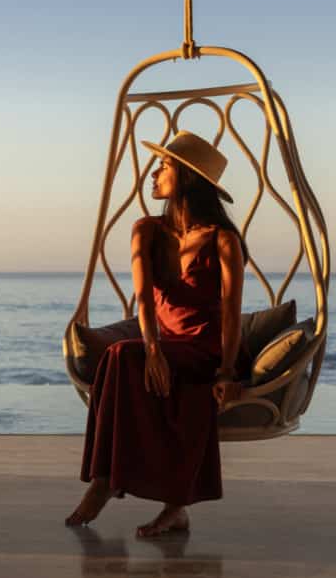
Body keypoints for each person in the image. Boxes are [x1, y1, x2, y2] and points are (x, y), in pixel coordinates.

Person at [65, 130, 249, 536]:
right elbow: (144, 301)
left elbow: (232, 315)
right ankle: (116, 482)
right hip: (162, 344)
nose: (153, 172)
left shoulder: (223, 239)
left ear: (186, 176)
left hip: (203, 348)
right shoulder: (145, 229)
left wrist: (226, 373)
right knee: (123, 356)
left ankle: (107, 481)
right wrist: (152, 348)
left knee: (119, 356)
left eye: (163, 166)